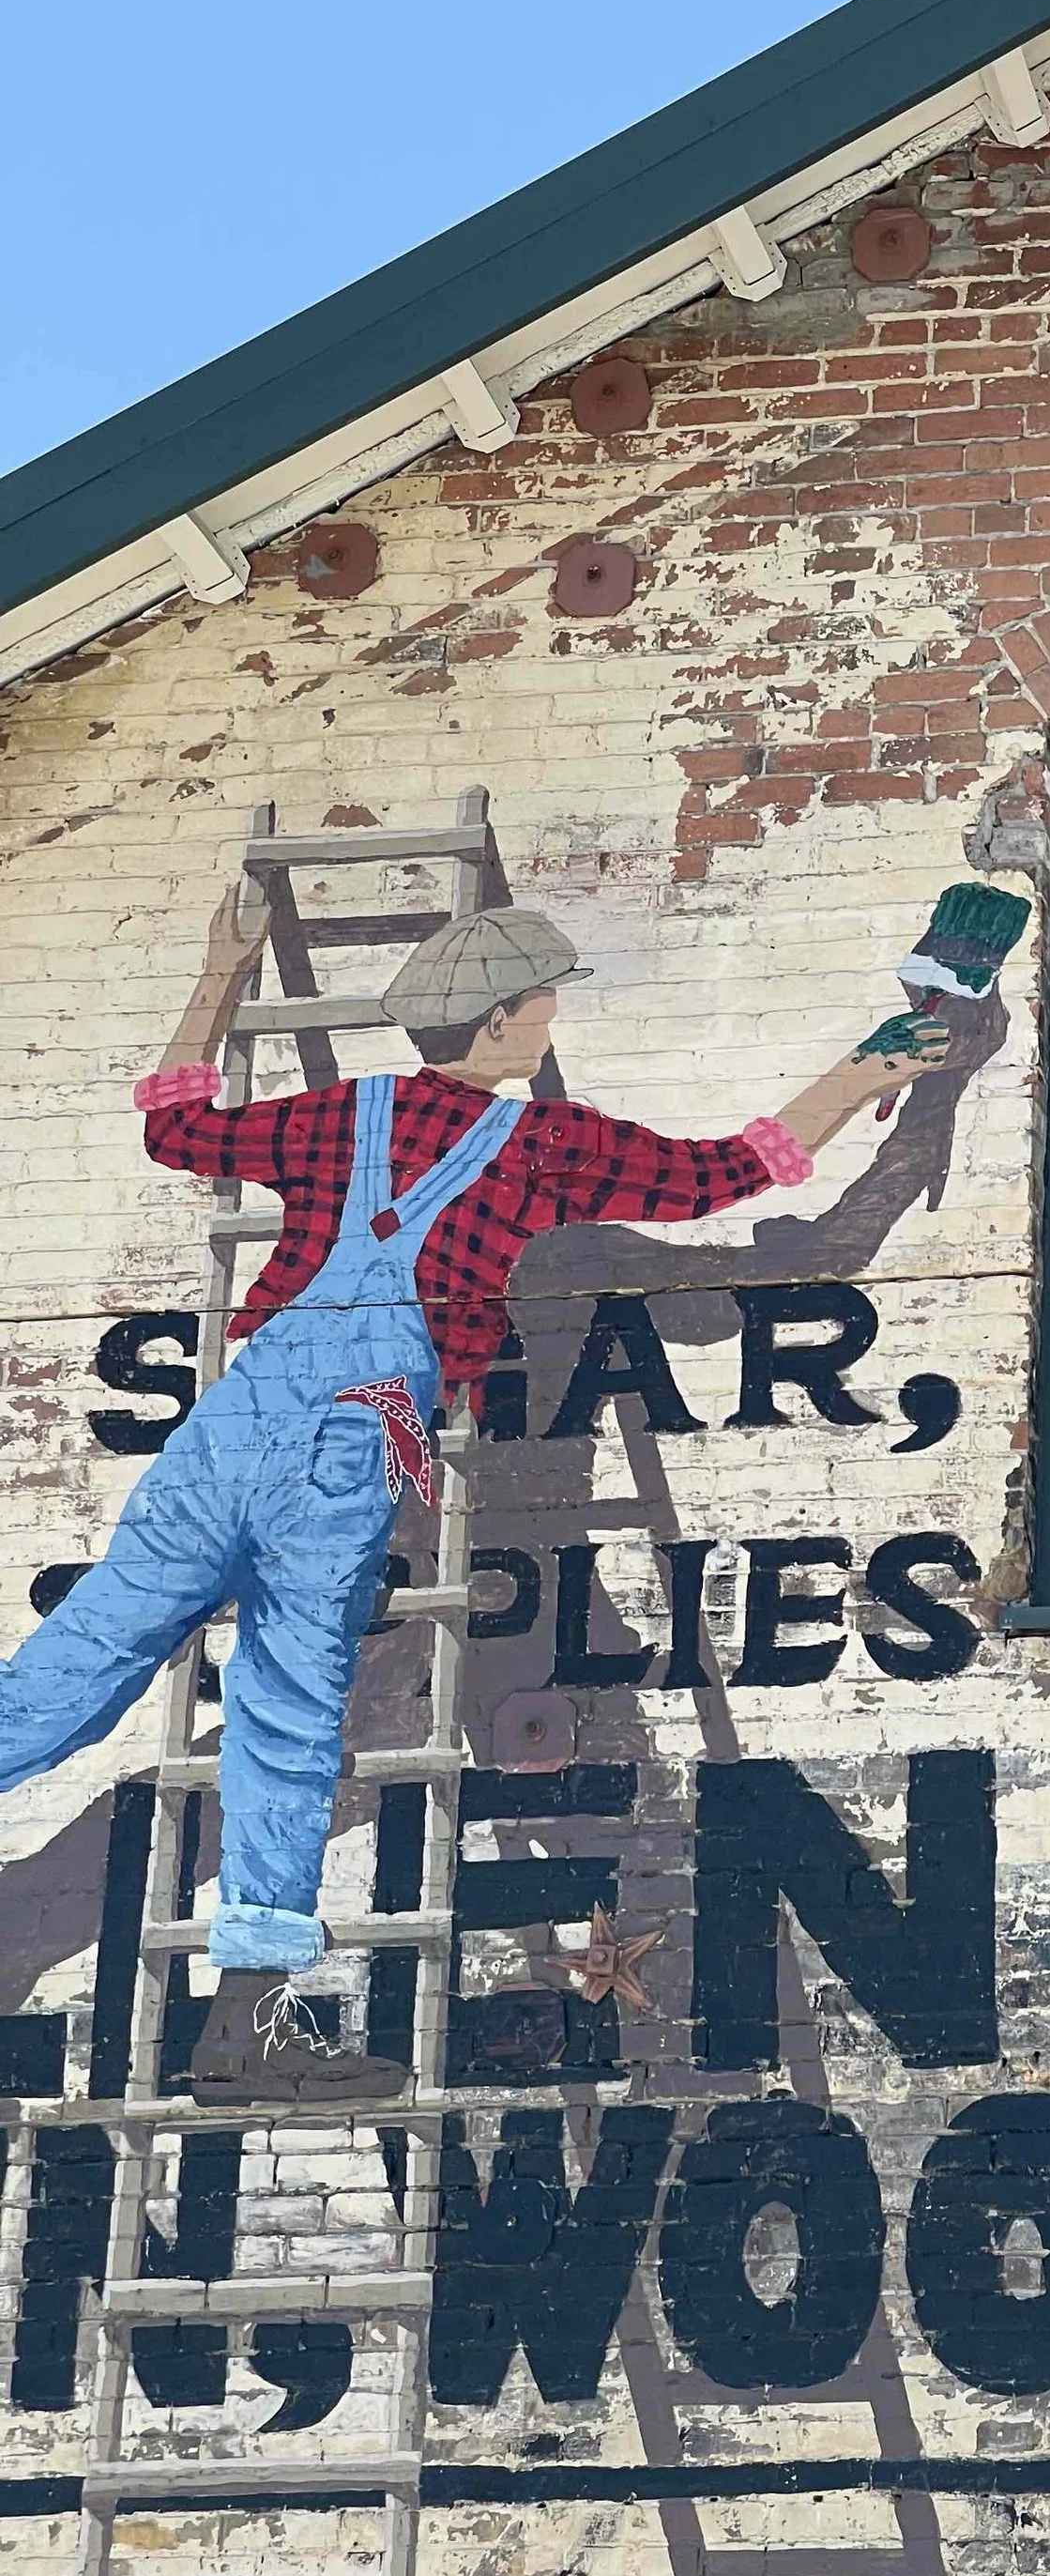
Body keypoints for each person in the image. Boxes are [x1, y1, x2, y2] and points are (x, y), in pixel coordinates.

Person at [0, 885, 946, 2107]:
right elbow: (727, 1174)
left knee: (79, 1659)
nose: (552, 1017)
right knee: (289, 1738)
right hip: (351, 1452)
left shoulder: (346, 1112)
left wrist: (223, 969)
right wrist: (864, 1075)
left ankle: (165, 1997)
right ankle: (234, 2034)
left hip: (235, 1429)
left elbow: (177, 1128)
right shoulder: (545, 1149)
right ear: (503, 1022)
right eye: (542, 1001)